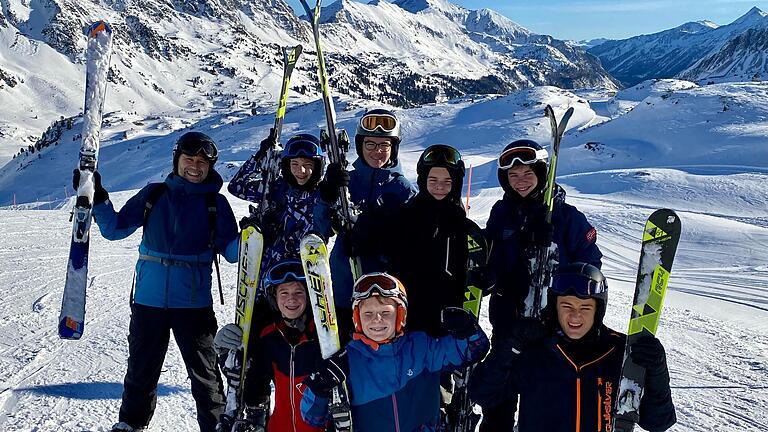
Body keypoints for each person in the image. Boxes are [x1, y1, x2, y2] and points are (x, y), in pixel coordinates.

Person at [75, 132, 240, 432]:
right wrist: (97, 197)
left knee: (206, 377)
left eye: (202, 162)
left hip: (193, 305)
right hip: (148, 301)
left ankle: (217, 427)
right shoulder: (154, 194)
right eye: (189, 159)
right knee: (141, 373)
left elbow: (232, 251)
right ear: (176, 160)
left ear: (210, 167)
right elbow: (114, 229)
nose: (195, 166)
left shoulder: (216, 204)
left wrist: (252, 239)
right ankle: (131, 425)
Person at [481, 139, 603, 430]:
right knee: (498, 403)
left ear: (541, 174)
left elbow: (591, 266)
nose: (520, 182)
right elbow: (492, 258)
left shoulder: (567, 217)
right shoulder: (501, 213)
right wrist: (508, 254)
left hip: (553, 331)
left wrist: (555, 262)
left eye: (527, 174)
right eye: (513, 176)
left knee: (546, 407)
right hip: (510, 324)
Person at [468, 263, 676, 431]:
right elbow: (483, 394)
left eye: (585, 307)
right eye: (567, 306)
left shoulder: (618, 353)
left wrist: (657, 372)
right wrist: (508, 346)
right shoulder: (535, 351)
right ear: (554, 307)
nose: (575, 315)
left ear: (598, 310)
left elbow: (658, 422)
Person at [299, 272, 490, 431]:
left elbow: (473, 351)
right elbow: (312, 417)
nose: (377, 320)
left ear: (400, 315)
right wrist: (319, 389)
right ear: (357, 318)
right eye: (368, 314)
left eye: (386, 313)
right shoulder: (347, 360)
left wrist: (468, 330)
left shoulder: (421, 348)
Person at [314, 109, 417, 340]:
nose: (377, 152)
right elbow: (320, 231)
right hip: (343, 289)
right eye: (370, 144)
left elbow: (414, 241)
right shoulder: (345, 182)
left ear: (394, 148)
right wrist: (327, 195)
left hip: (382, 299)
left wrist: (381, 237)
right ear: (360, 146)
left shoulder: (403, 190)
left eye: (384, 145)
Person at [228, 132, 325, 333]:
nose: (302, 170)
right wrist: (259, 158)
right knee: (261, 334)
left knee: (299, 337)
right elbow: (237, 186)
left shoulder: (322, 196)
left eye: (308, 164)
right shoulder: (275, 188)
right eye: (295, 164)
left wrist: (335, 189)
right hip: (266, 278)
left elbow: (337, 222)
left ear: (317, 166)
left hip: (303, 283)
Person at [213, 259, 325, 432]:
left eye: (298, 292)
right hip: (278, 426)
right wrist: (224, 352)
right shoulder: (268, 337)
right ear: (274, 298)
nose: (292, 299)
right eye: (284, 293)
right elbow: (247, 375)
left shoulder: (323, 338)